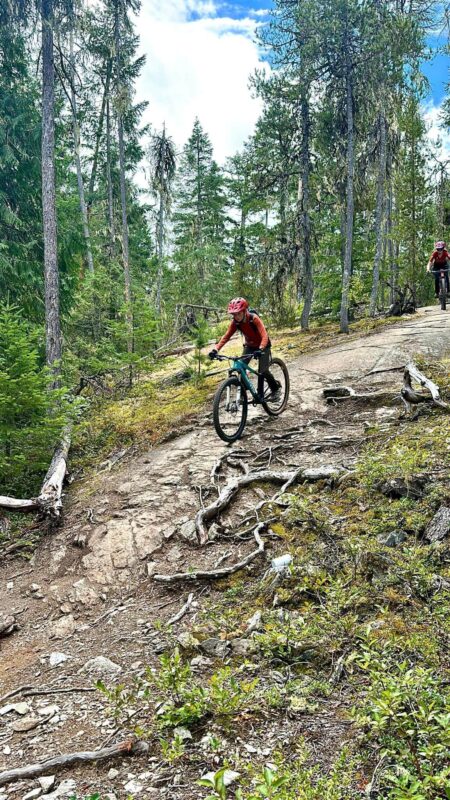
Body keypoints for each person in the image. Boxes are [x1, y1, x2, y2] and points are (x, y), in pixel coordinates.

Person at [209, 297, 280, 398]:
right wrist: (215, 349)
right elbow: (226, 337)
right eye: (234, 314)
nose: (236, 317)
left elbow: (264, 335)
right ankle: (243, 395)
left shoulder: (253, 318)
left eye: (238, 313)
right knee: (240, 366)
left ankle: (275, 389)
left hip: (263, 346)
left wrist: (260, 349)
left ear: (244, 311)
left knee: (263, 371)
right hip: (250, 346)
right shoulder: (235, 323)